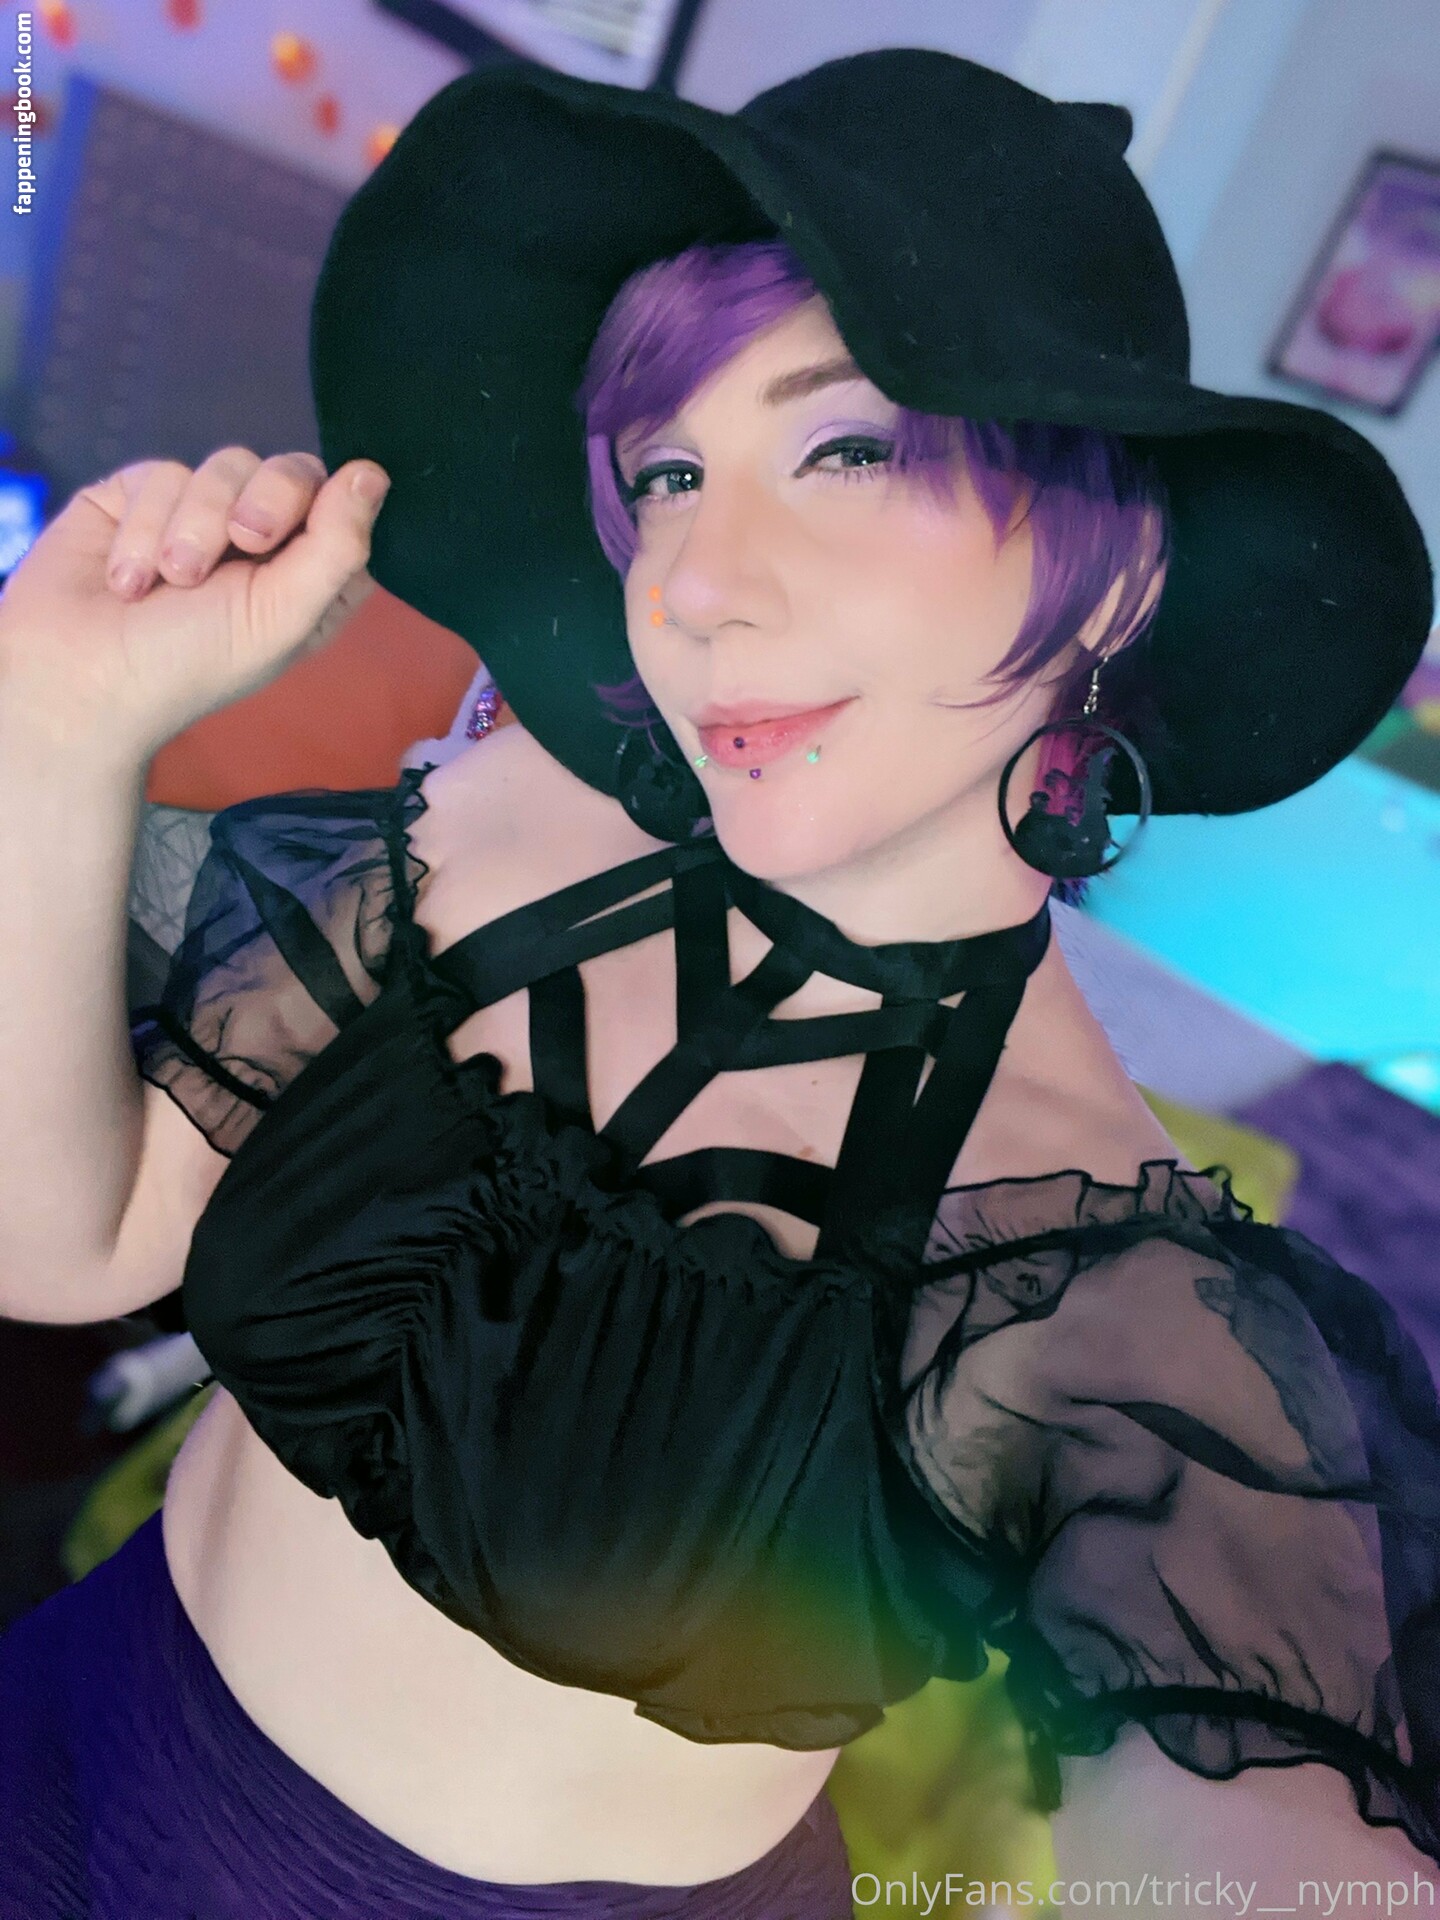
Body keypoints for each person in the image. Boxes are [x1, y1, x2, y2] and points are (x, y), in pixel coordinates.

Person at [0, 47, 1437, 1920]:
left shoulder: (1094, 1270)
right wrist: (52, 732)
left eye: (848, 450)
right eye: (666, 475)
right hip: (59, 1723)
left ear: (1113, 580)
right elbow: (65, 1243)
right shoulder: (482, 817)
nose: (691, 581)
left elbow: (1268, 1848)